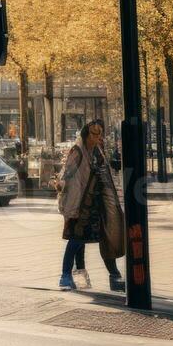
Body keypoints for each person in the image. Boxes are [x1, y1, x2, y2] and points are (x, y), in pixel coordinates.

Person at [55, 119, 125, 292]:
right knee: (77, 240)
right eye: (95, 133)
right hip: (79, 204)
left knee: (105, 237)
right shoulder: (77, 151)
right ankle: (65, 276)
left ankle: (113, 276)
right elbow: (67, 175)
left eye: (100, 133)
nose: (98, 137)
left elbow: (104, 175)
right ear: (87, 134)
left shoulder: (98, 152)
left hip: (96, 203)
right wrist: (60, 185)